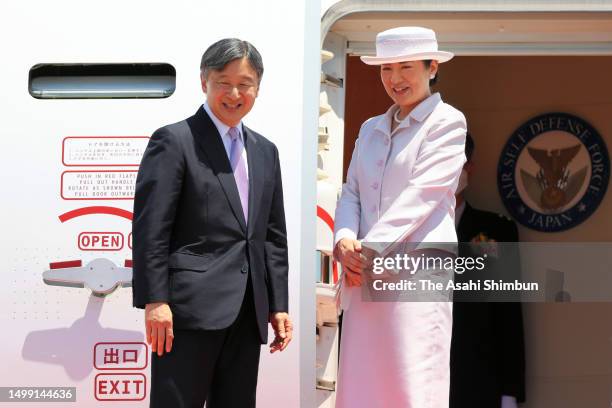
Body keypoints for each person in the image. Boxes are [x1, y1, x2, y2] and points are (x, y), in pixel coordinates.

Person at [131, 38, 292, 408]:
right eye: (223, 81)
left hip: (247, 312)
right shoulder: (174, 140)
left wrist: (277, 303)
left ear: (258, 87)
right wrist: (156, 300)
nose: (234, 92)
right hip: (187, 313)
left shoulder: (265, 151)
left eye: (245, 83)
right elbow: (150, 228)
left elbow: (272, 236)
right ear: (204, 81)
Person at [333, 27, 467, 408]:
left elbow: (422, 195)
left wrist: (368, 249)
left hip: (415, 277)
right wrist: (344, 240)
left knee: (413, 383)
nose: (395, 79)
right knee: (361, 387)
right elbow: (352, 192)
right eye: (385, 68)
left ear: (432, 67)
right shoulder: (370, 128)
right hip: (363, 275)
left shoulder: (447, 122)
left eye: (406, 67)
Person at [450, 133, 526, 408]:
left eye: (456, 163)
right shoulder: (408, 233)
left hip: (477, 381)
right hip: (417, 377)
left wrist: (510, 392)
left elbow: (508, 313)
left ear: (469, 167)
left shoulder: (495, 230)